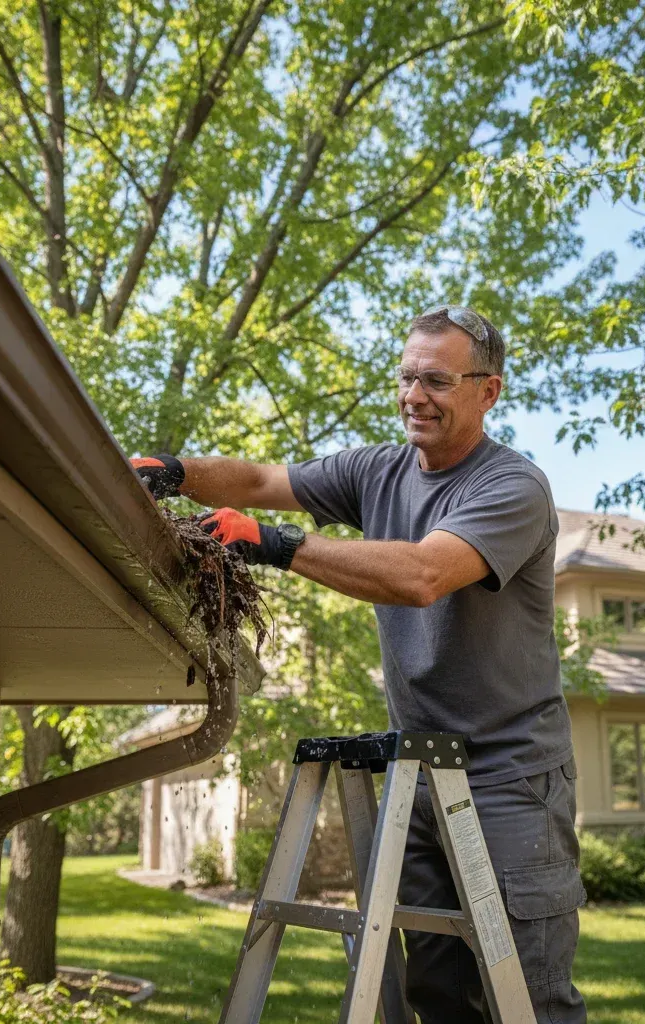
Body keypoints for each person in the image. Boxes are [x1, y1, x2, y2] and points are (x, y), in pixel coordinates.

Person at [132, 305, 586, 1023]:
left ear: (488, 391)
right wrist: (179, 471)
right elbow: (256, 481)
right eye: (407, 376)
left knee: (528, 995)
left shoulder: (512, 487)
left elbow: (422, 575)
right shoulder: (377, 469)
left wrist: (275, 546)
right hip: (422, 771)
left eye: (436, 380)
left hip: (510, 775)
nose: (414, 395)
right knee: (440, 992)